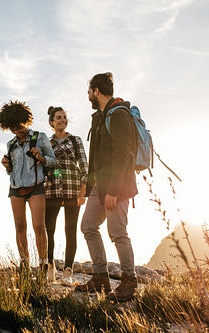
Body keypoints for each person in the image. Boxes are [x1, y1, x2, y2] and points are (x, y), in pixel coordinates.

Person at [74, 72, 139, 302]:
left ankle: (129, 281)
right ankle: (100, 277)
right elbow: (94, 158)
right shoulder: (98, 117)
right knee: (88, 226)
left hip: (117, 187)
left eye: (89, 90)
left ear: (96, 91)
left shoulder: (119, 114)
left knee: (118, 232)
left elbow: (123, 154)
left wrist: (113, 190)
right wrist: (87, 186)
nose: (88, 95)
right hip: (98, 187)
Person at [0, 100, 57, 272]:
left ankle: (43, 264)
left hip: (36, 186)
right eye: (12, 128)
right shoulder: (11, 144)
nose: (16, 131)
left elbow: (54, 161)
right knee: (19, 226)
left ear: (25, 121)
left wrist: (42, 157)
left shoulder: (40, 137)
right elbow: (11, 171)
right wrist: (7, 166)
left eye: (18, 127)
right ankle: (24, 264)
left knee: (39, 226)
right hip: (15, 188)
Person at [44, 106, 88, 285]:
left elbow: (84, 165)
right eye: (58, 118)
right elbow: (43, 167)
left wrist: (83, 190)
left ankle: (68, 271)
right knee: (49, 230)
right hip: (51, 190)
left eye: (64, 117)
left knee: (70, 230)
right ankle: (50, 267)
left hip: (72, 189)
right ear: (52, 122)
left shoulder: (75, 140)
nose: (62, 120)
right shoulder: (46, 142)